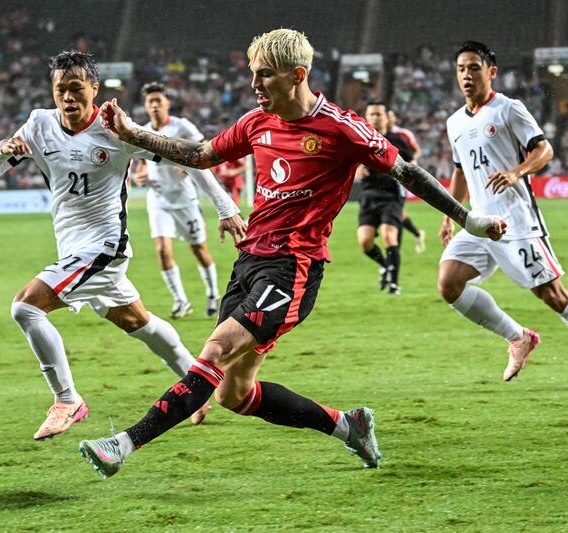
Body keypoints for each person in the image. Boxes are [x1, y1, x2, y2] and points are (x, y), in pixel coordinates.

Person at [78, 29, 505, 479]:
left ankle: (121, 445)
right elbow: (201, 154)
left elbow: (407, 172)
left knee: (216, 350)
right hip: (249, 262)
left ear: (297, 75)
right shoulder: (256, 123)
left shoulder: (341, 127)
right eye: (253, 74)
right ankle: (348, 426)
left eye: (265, 75)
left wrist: (468, 220)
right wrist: (132, 133)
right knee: (233, 394)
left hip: (293, 268)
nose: (255, 84)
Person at [0, 50, 246, 440]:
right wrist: (2, 151)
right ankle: (199, 386)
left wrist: (225, 207)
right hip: (72, 249)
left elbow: (188, 159)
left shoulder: (116, 129)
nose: (68, 98)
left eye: (76, 89)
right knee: (137, 321)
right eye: (60, 90)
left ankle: (67, 400)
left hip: (104, 248)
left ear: (94, 89)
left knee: (25, 307)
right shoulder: (39, 124)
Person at [438, 41, 568, 391]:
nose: (466, 75)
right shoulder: (454, 123)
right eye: (461, 68)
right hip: (479, 222)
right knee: (449, 283)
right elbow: (461, 170)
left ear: (491, 72)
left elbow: (545, 150)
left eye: (474, 68)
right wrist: (451, 214)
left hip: (516, 221)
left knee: (553, 294)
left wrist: (516, 171)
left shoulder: (509, 109)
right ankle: (518, 338)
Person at [132, 82, 239, 319]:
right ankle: (181, 300)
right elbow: (139, 164)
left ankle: (212, 294)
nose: (155, 105)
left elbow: (204, 151)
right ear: (146, 106)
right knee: (162, 250)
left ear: (168, 103)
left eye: (159, 100)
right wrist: (139, 177)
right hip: (159, 200)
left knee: (198, 249)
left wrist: (192, 165)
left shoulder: (182, 126)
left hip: (185, 200)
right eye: (151, 101)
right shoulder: (143, 132)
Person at [355, 101, 414, 294]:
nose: (375, 118)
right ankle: (385, 266)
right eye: (371, 114)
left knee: (390, 237)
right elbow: (348, 163)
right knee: (365, 241)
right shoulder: (359, 140)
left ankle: (394, 284)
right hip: (368, 195)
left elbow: (410, 162)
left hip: (390, 196)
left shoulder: (396, 140)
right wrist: (356, 169)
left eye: (379, 114)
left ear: (386, 117)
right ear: (366, 117)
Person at [388, 110, 426, 253]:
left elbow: (417, 151)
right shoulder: (376, 132)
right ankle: (416, 233)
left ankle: (393, 253)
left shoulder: (403, 134)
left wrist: (413, 162)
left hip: (399, 177)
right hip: (382, 178)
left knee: (396, 214)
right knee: (397, 214)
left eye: (391, 116)